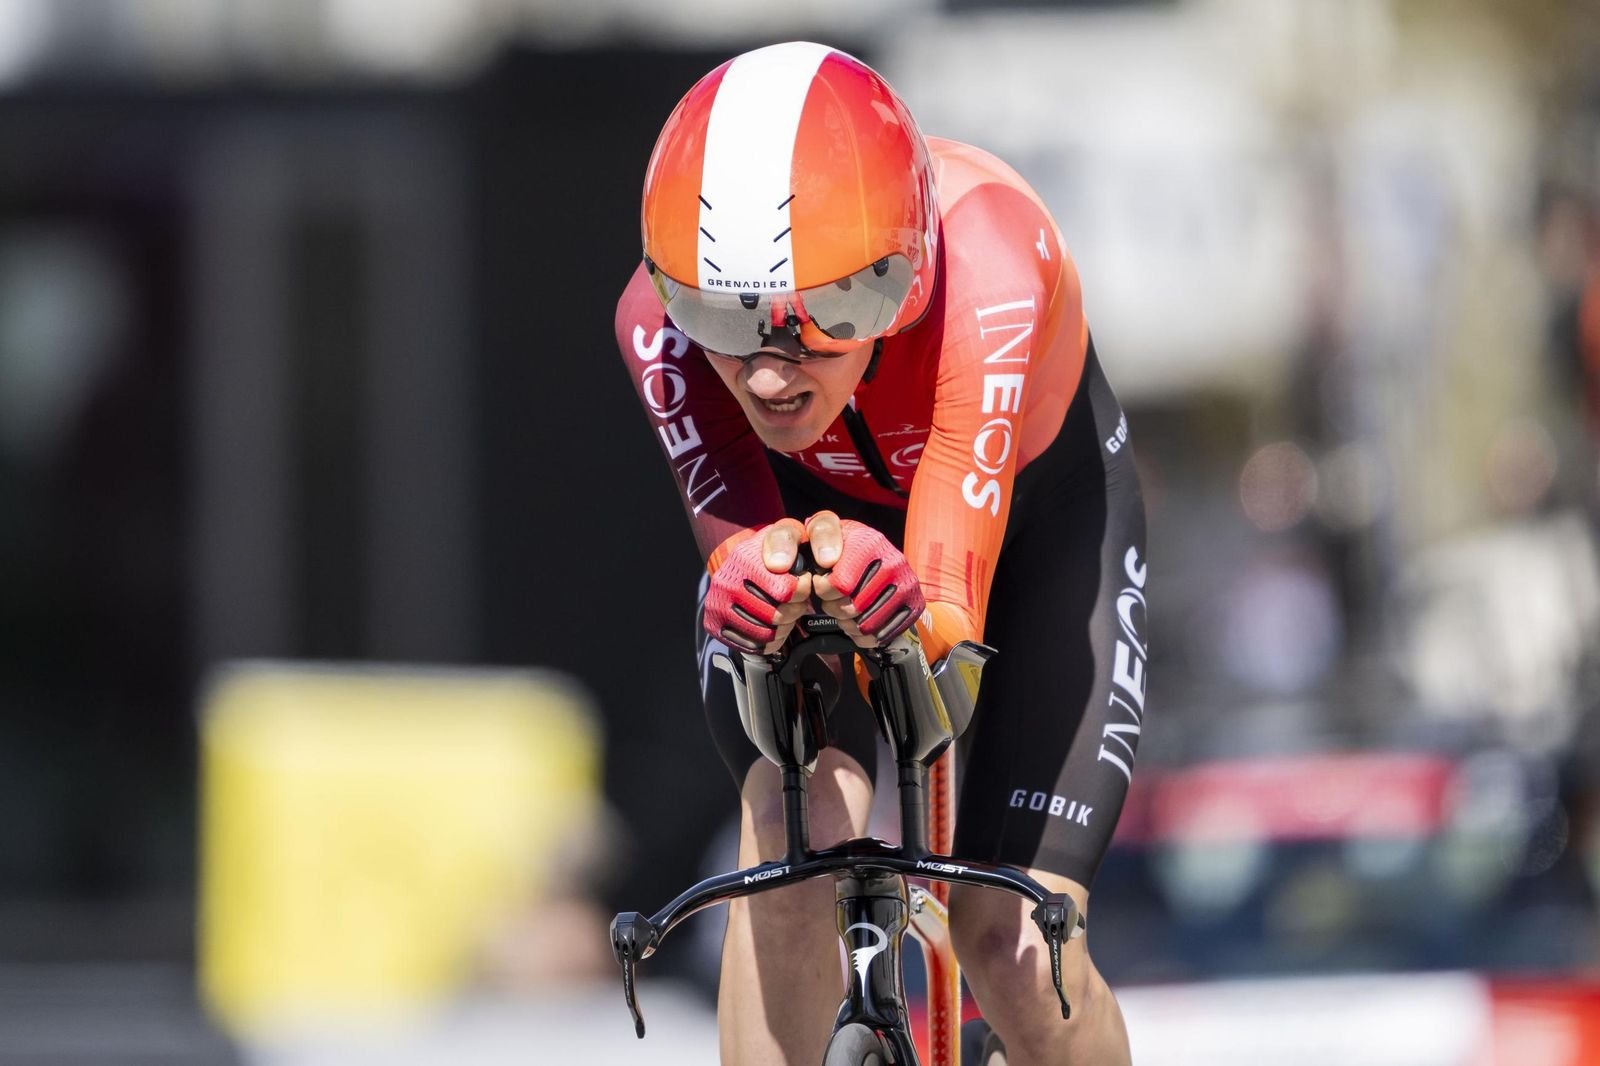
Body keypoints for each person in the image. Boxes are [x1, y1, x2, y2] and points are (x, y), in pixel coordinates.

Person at [614, 41, 1146, 1066]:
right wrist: (753, 584)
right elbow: (736, 555)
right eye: (720, 316)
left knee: (1013, 943)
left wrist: (906, 601)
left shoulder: (989, 256)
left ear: (900, 276)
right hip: (816, 528)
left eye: (831, 316)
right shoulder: (654, 328)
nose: (769, 374)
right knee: (791, 824)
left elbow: (946, 610)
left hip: (1029, 526)